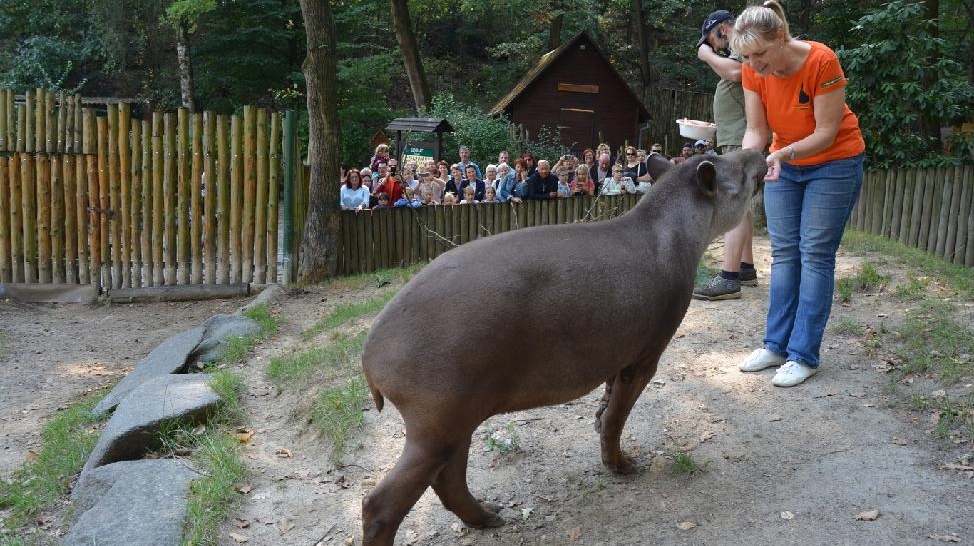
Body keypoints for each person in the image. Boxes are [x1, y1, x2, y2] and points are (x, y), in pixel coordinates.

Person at [732, 0, 866, 387]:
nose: (754, 64)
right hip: (784, 163)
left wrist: (782, 153)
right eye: (747, 57)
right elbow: (757, 130)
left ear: (780, 37)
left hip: (834, 163)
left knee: (815, 255)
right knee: (785, 253)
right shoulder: (752, 69)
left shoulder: (821, 61)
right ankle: (775, 346)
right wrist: (744, 163)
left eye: (760, 54)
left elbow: (825, 132)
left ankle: (804, 354)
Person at [693, 9, 758, 302]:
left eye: (711, 39)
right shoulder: (740, 47)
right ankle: (745, 267)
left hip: (741, 138)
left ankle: (729, 277)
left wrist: (704, 54)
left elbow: (734, 72)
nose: (714, 47)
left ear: (721, 29)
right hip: (736, 135)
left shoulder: (741, 43)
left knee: (733, 201)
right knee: (744, 203)